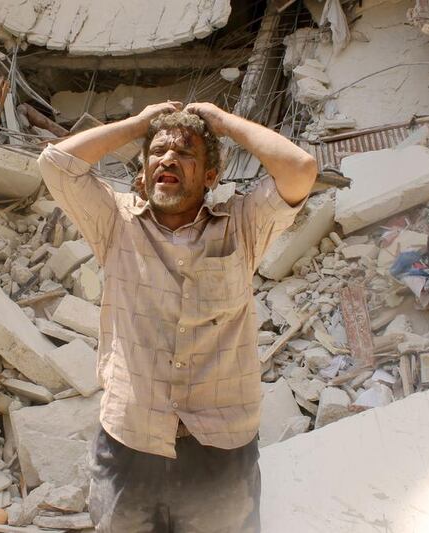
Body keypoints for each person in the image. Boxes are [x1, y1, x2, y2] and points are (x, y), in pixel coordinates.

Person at [37, 101, 317, 532]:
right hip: (131, 443)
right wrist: (137, 124)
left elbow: (299, 169)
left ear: (210, 177)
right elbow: (57, 165)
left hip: (219, 451)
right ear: (143, 173)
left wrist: (222, 124)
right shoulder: (115, 222)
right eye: (157, 152)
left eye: (185, 153)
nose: (168, 158)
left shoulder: (241, 226)